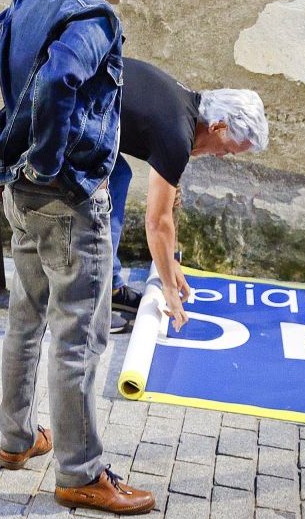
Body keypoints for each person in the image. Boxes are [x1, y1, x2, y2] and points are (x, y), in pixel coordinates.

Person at [0, 0, 156, 516]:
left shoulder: (25, 7)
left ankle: (16, 440)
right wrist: (44, 156)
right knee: (79, 335)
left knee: (26, 316)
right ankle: (82, 472)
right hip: (67, 197)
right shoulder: (93, 16)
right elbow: (61, 79)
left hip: (21, 195)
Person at [108, 59, 268, 330]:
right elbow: (157, 221)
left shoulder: (185, 107)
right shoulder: (177, 134)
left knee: (118, 175)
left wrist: (169, 261)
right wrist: (169, 289)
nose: (219, 155)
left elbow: (170, 200)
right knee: (110, 183)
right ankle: (93, 299)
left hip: (79, 110)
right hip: (56, 114)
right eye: (226, 150)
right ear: (218, 126)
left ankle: (107, 286)